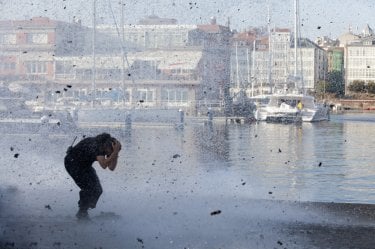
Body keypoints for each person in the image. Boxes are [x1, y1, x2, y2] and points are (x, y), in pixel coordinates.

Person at [64, 133, 122, 219]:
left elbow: (111, 168)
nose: (109, 154)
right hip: (72, 163)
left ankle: (84, 210)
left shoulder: (106, 146)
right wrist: (115, 152)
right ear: (107, 146)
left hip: (85, 165)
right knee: (89, 188)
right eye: (111, 151)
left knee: (98, 190)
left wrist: (115, 153)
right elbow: (104, 165)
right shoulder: (96, 146)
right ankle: (82, 213)